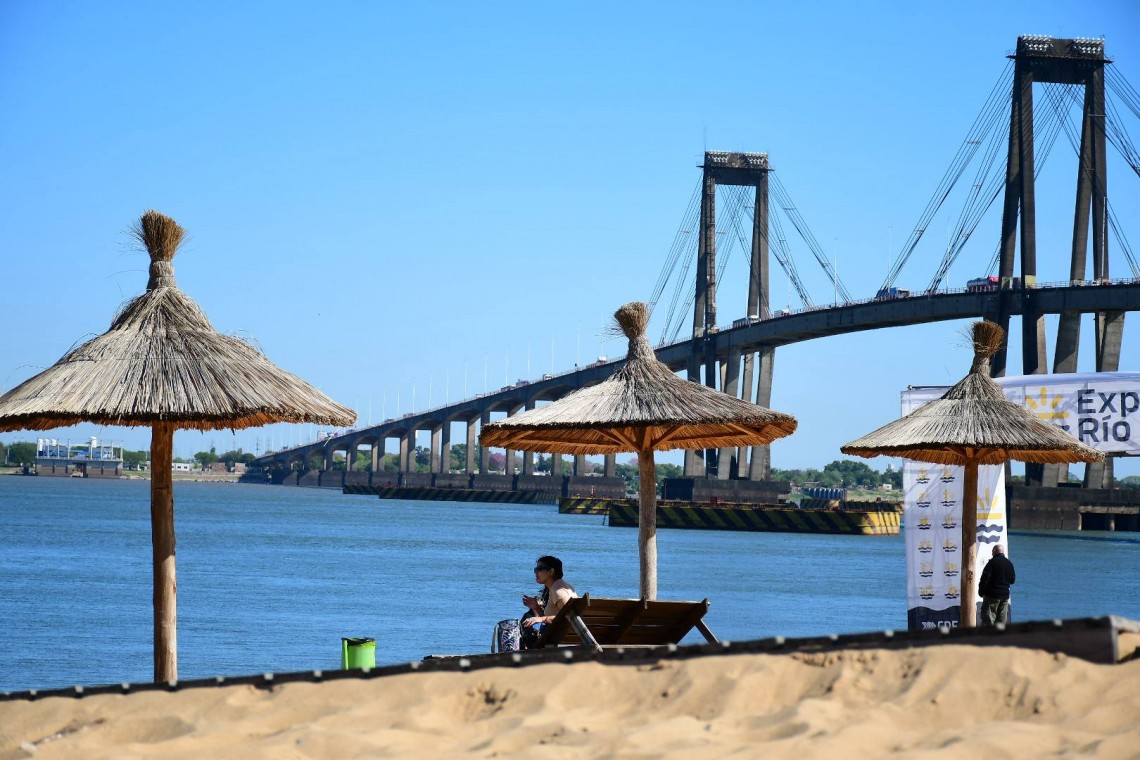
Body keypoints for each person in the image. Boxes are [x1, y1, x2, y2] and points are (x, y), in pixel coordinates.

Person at [521, 555, 576, 632]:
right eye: (535, 569)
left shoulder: (558, 591)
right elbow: (554, 618)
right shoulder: (558, 587)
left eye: (539, 569)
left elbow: (569, 617)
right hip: (559, 637)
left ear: (551, 572)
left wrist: (541, 619)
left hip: (561, 639)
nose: (535, 572)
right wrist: (536, 608)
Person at [978, 544, 1016, 626]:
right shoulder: (1009, 564)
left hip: (992, 596)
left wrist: (981, 592)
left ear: (994, 552)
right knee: (1001, 622)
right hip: (1005, 597)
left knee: (988, 621)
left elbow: (984, 579)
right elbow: (1012, 580)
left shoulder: (992, 563)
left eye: (992, 551)